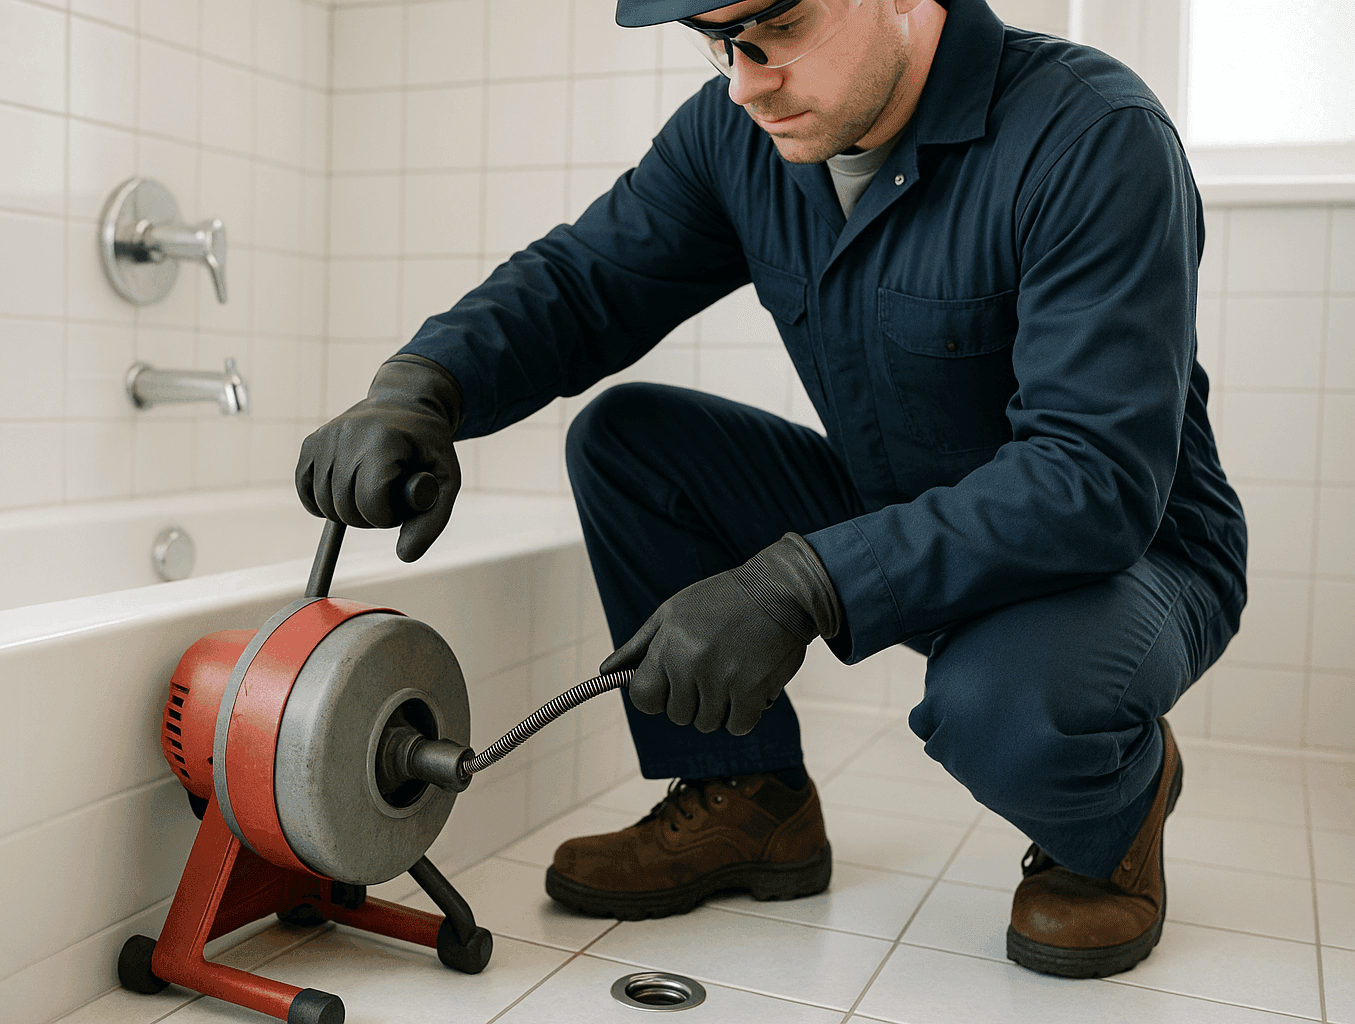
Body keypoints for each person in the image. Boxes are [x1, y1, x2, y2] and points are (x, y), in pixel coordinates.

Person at [296, 0, 1247, 980]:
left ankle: (1115, 817)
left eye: (775, 30)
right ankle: (748, 800)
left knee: (1003, 700)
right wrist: (421, 388)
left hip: (1128, 553)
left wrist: (804, 582)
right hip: (906, 503)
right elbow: (585, 282)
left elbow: (1090, 477)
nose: (744, 80)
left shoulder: (1089, 134)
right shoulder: (737, 133)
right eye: (717, 43)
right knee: (630, 443)